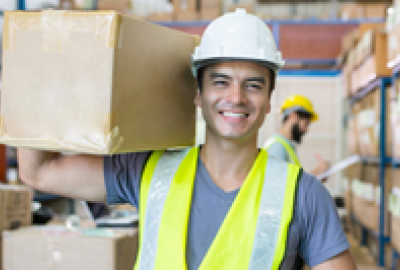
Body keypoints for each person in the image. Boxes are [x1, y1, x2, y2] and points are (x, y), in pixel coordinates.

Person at [17, 9, 356, 269]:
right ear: (198, 94)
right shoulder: (150, 171)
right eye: (220, 81)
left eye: (252, 84)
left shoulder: (306, 197)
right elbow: (40, 171)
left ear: (269, 100)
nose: (235, 97)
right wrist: (42, 74)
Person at [264, 95, 331, 179]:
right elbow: (278, 185)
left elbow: (290, 182)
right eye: (306, 123)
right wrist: (316, 173)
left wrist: (317, 178)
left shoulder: (285, 146)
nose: (306, 130)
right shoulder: (277, 147)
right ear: (293, 116)